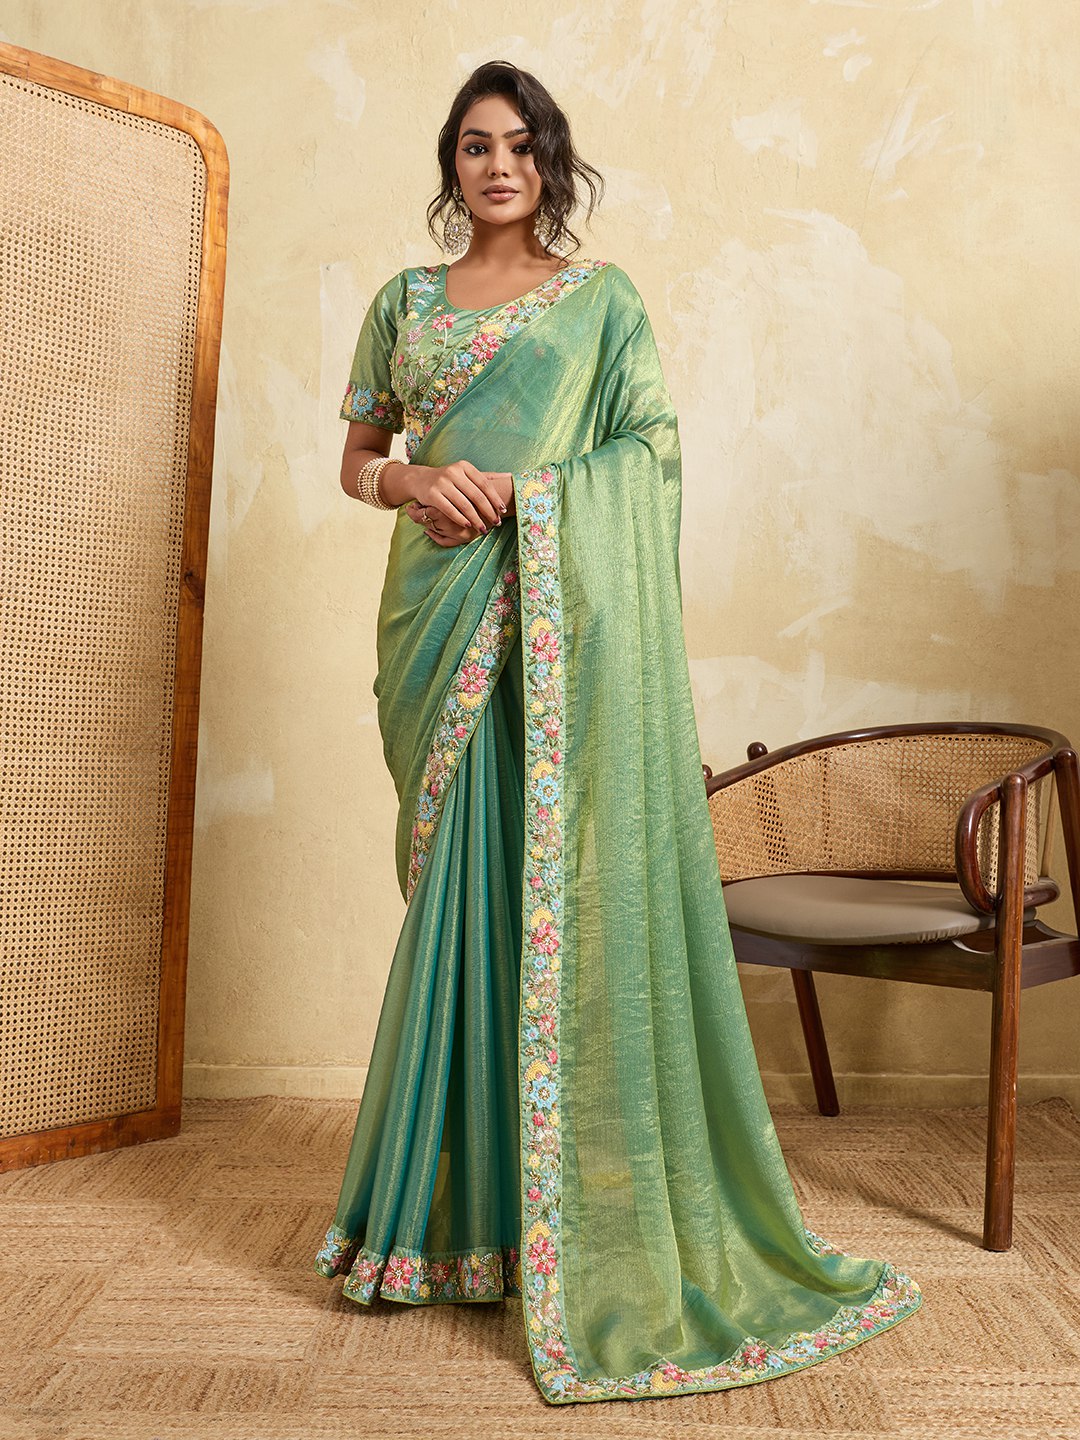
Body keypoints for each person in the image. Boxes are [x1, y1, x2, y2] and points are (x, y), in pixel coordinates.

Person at [313, 59, 923, 1407]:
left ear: (553, 164)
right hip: (437, 617)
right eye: (474, 146)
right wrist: (412, 476)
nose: (496, 167)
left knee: (550, 899)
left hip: (559, 626)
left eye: (520, 147)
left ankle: (572, 1219)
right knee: (460, 907)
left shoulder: (602, 306)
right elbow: (356, 457)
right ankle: (436, 1229)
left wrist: (531, 499)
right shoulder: (399, 305)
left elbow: (649, 451)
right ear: (450, 164)